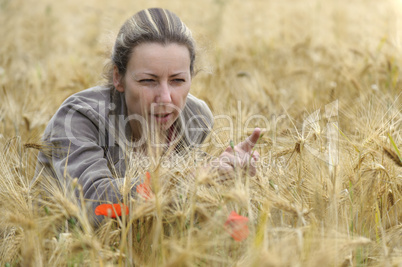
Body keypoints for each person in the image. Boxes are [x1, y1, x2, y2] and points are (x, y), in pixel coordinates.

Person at [35, 8, 260, 225]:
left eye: (178, 80)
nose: (165, 98)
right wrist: (193, 179)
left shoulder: (197, 118)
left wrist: (230, 183)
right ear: (118, 78)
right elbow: (95, 207)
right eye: (148, 81)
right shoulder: (80, 118)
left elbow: (184, 211)